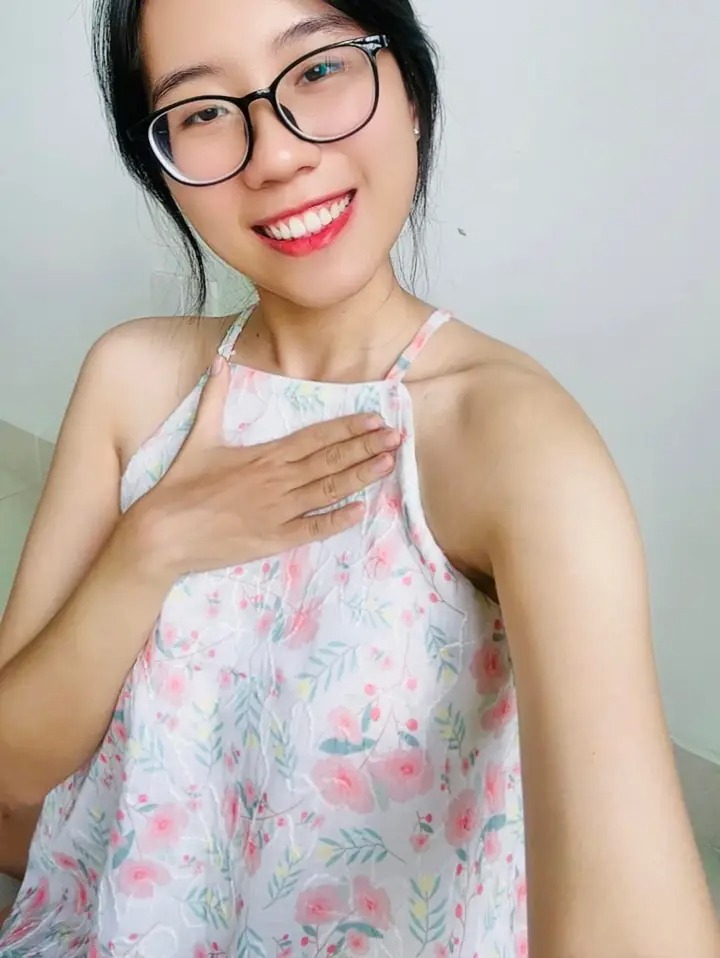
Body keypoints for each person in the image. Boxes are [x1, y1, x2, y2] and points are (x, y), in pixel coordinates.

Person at [0, 0, 718, 954]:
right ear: (160, 164)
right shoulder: (134, 380)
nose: (275, 155)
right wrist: (155, 544)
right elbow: (11, 778)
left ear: (410, 88)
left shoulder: (515, 442)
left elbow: (631, 921)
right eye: (203, 110)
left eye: (319, 69)